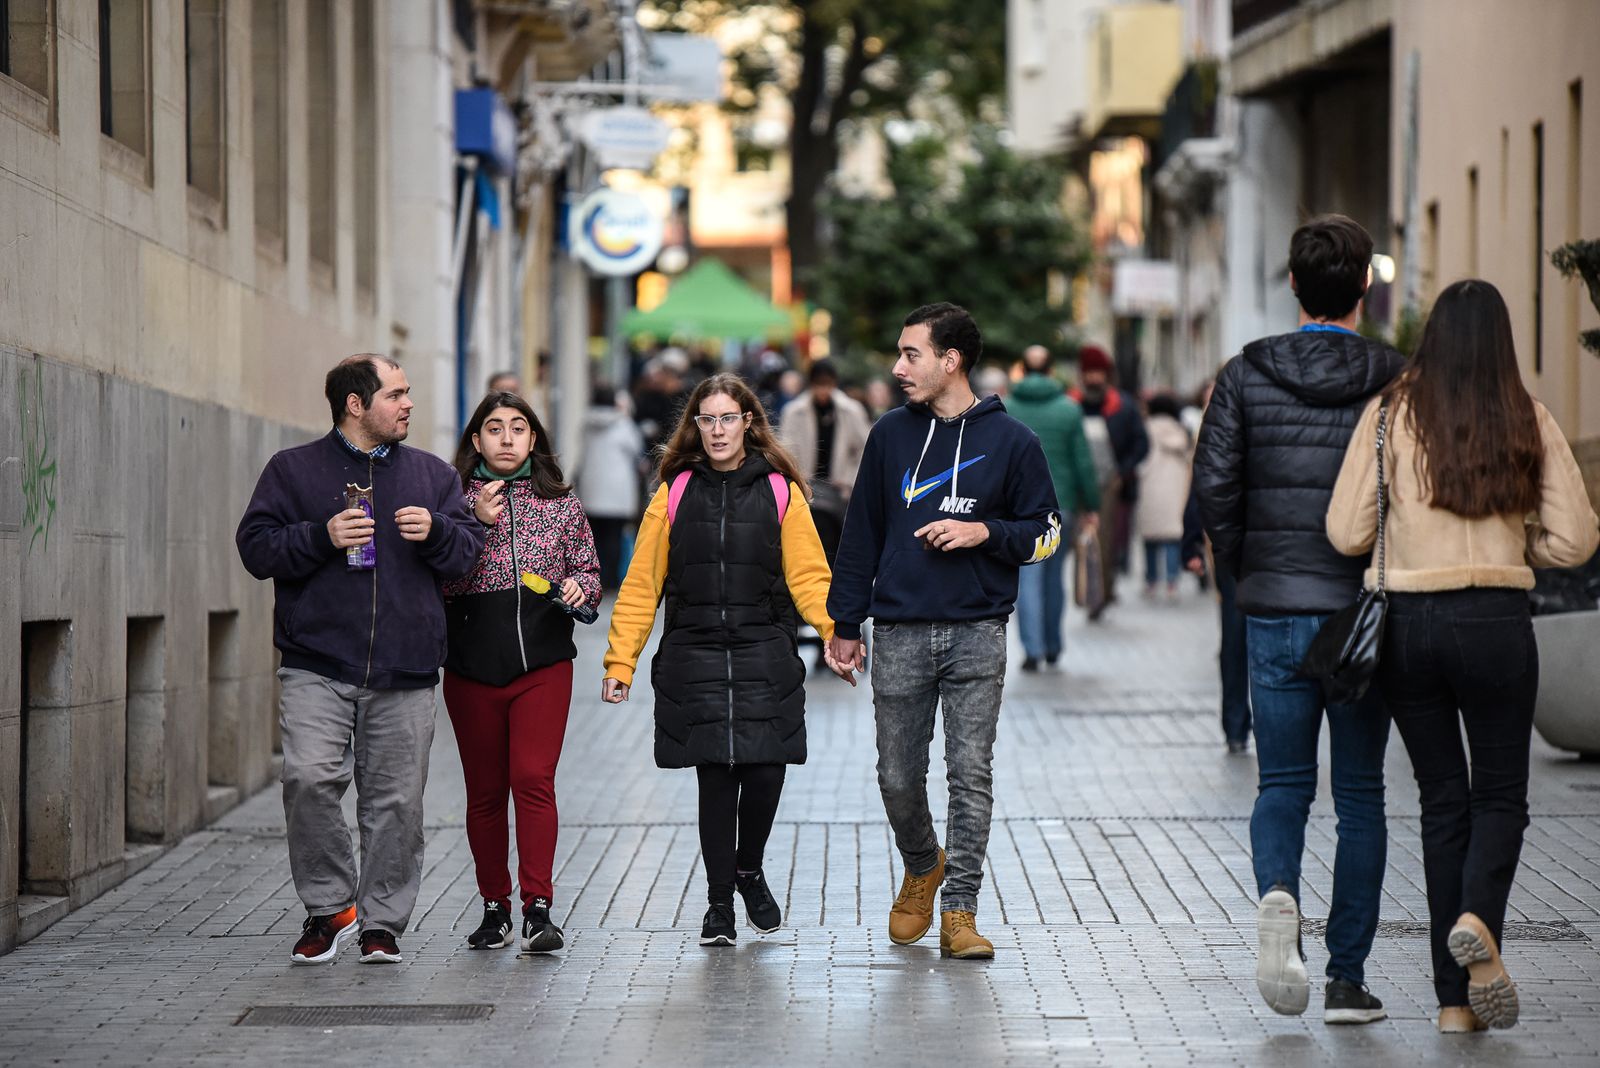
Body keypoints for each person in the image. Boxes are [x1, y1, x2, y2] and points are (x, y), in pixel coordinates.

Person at [1327, 279, 1599, 1034]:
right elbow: (1578, 538)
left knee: (1442, 800)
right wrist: (1522, 544)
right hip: (1495, 620)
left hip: (1409, 624)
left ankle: (1454, 1004)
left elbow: (1346, 531)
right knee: (1502, 796)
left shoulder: (1389, 414)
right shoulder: (1526, 414)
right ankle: (1478, 917)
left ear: (1434, 337)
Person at [1193, 213, 1404, 1025]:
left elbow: (1215, 486)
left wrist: (1249, 570)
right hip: (1363, 615)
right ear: (1365, 286)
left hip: (1275, 608)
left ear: (1292, 284)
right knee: (1360, 796)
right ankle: (1347, 979)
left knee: (1282, 783)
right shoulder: (1396, 377)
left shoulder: (1246, 373)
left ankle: (1279, 890)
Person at [826, 303, 1062, 961]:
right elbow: (861, 534)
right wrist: (844, 622)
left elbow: (1047, 534)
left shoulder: (1014, 441)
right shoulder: (889, 435)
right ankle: (923, 863)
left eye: (912, 354)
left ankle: (960, 911)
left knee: (970, 775)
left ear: (950, 361)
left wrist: (985, 531)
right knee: (897, 776)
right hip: (899, 630)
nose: (898, 368)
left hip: (978, 630)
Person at [236, 354, 485, 965]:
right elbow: (256, 548)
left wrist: (439, 531)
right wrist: (320, 537)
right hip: (316, 662)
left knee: (396, 803)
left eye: (407, 393)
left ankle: (382, 924)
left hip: (405, 669)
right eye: (395, 394)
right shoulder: (292, 470)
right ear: (356, 404)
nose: (408, 404)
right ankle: (330, 908)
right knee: (308, 779)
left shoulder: (432, 476)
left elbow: (466, 555)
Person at [600, 373, 839, 947]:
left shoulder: (780, 491)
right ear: (695, 426)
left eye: (728, 418)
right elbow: (641, 584)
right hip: (696, 650)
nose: (717, 430)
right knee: (715, 777)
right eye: (706, 419)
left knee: (766, 770)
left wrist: (837, 634)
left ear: (748, 423)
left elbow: (810, 576)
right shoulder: (674, 492)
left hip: (764, 648)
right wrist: (619, 662)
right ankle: (718, 905)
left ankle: (748, 868)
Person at [441, 391, 601, 955]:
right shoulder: (453, 503)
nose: (506, 438)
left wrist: (580, 588)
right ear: (477, 440)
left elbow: (589, 571)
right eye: (494, 428)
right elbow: (441, 577)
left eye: (517, 428)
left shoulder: (561, 503)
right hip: (471, 669)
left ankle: (538, 907)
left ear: (534, 438)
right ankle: (495, 906)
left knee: (533, 780)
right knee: (485, 792)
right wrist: (475, 524)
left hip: (543, 665)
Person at [1005, 344, 1100, 671]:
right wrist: (1092, 504)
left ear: (1023, 369)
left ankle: (1031, 649)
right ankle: (1053, 645)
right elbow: (1082, 461)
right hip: (1062, 505)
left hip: (1019, 507)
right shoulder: (1069, 409)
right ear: (1050, 370)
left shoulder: (1007, 407)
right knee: (1055, 577)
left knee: (1027, 578)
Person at [1181, 378, 1251, 754]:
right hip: (1270, 541)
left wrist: (1199, 537)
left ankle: (1237, 725)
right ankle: (1249, 724)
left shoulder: (1225, 415)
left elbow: (1206, 482)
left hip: (1234, 542)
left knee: (1236, 636)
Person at [1069, 344, 1147, 618]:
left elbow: (1141, 444)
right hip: (1077, 484)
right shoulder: (1071, 405)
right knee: (1081, 541)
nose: (1093, 378)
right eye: (1088, 372)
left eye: (1097, 372)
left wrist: (1122, 472)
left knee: (1106, 540)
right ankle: (1086, 591)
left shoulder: (1123, 406)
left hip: (1110, 484)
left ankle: (1102, 592)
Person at [778, 358, 872, 561]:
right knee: (806, 544)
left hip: (840, 490)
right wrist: (797, 479)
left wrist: (849, 480)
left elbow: (866, 448)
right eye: (819, 385)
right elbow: (785, 450)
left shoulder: (851, 410)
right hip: (806, 486)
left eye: (827, 385)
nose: (823, 391)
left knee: (838, 545)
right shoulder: (794, 411)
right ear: (811, 384)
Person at [575, 383, 645, 588]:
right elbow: (637, 450)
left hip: (591, 490)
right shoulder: (624, 425)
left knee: (594, 537)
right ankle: (611, 580)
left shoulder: (586, 424)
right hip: (617, 492)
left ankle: (594, 577)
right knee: (614, 537)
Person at [1137, 393, 1192, 601]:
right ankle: (1171, 582)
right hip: (1175, 489)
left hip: (1150, 487)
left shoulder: (1145, 428)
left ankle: (1151, 580)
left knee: (1150, 537)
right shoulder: (1180, 431)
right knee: (1172, 536)